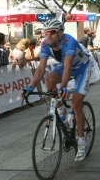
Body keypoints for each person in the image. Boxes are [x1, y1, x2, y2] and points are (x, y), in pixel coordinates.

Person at [22, 18, 92, 162]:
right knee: (49, 81)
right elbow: (41, 68)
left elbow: (67, 67)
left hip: (83, 68)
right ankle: (62, 114)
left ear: (60, 33)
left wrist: (64, 88)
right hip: (70, 68)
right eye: (46, 33)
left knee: (76, 104)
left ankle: (81, 143)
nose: (48, 36)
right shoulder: (45, 45)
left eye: (52, 33)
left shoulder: (69, 41)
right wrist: (30, 87)